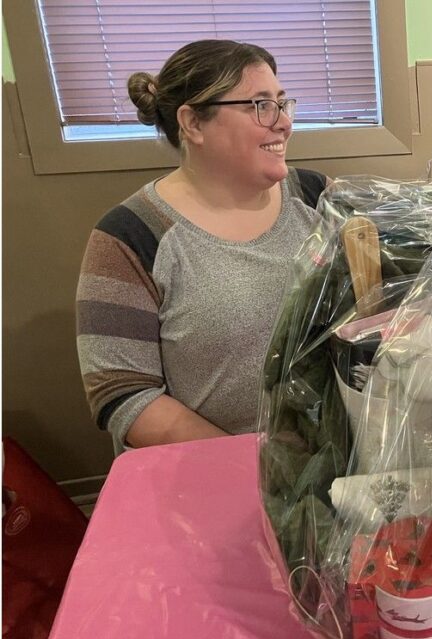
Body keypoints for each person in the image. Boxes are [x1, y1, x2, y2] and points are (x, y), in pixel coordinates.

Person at [76, 40, 329, 454]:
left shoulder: (317, 198)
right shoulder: (131, 236)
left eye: (284, 104)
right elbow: (123, 395)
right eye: (261, 105)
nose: (283, 123)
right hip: (208, 471)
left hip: (327, 462)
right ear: (193, 123)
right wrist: (259, 461)